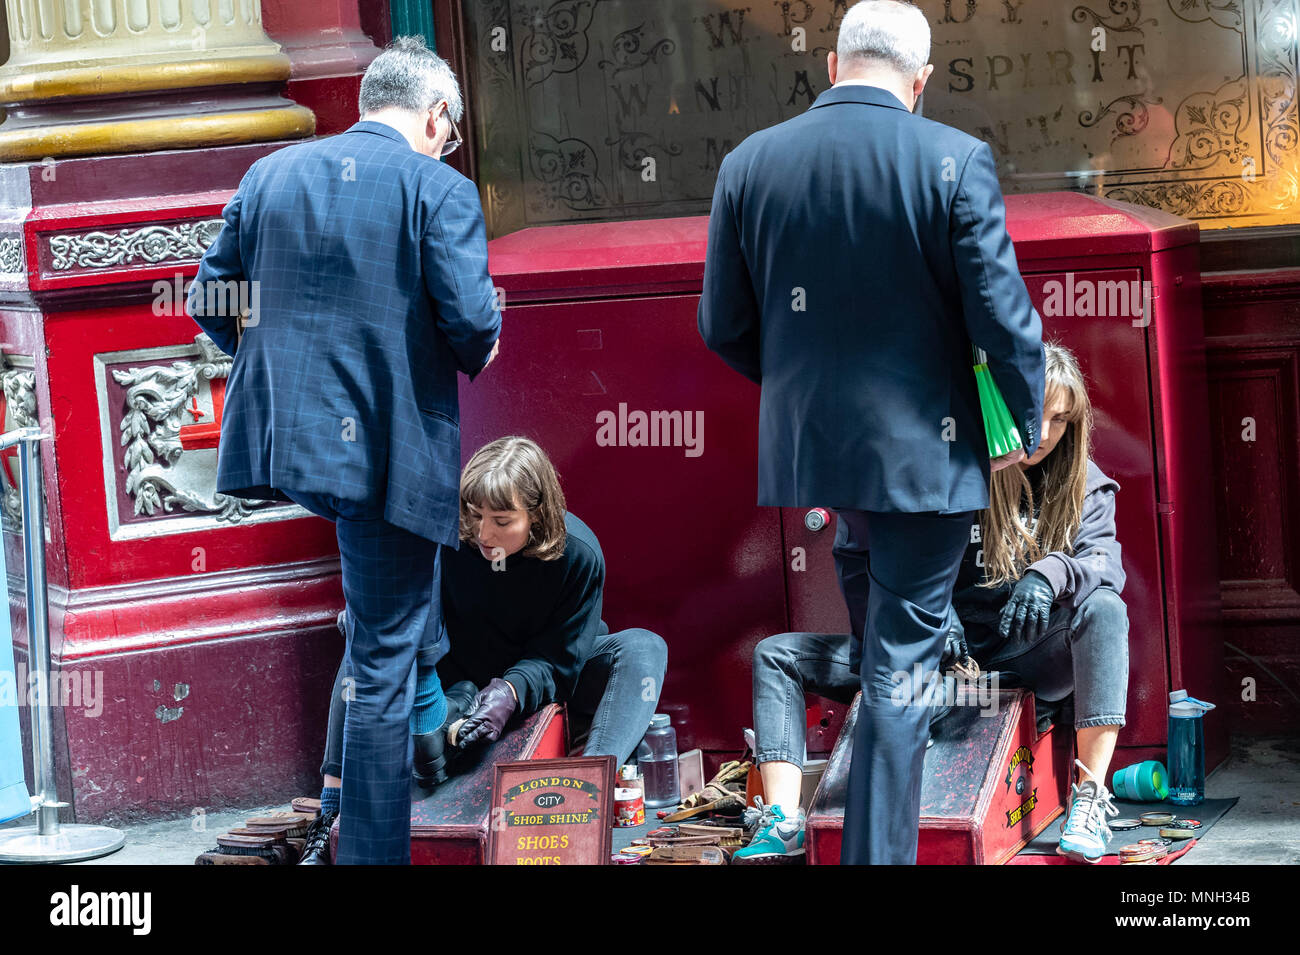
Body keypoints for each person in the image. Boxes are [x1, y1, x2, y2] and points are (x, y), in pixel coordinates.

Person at [697, 0, 1045, 864]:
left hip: (819, 454)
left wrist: (806, 398)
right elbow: (1002, 319)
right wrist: (1023, 417)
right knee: (902, 666)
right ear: (920, 82)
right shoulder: (954, 159)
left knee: (882, 634)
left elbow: (722, 324)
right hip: (926, 454)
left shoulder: (748, 162)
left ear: (832, 64)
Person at [187, 37, 501, 865]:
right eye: (449, 133)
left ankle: (349, 808)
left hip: (288, 440)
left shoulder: (271, 174)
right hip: (385, 454)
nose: (446, 145)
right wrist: (485, 342)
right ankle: (368, 854)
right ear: (436, 114)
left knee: (380, 630)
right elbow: (472, 323)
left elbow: (210, 298)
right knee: (385, 662)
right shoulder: (438, 187)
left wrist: (275, 367)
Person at [742, 344, 1128, 864]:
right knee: (776, 655)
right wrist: (929, 615)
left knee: (1105, 608)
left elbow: (1105, 563)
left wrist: (1049, 574)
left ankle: (1090, 798)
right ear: (1005, 407)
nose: (1045, 432)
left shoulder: (1086, 482)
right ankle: (783, 821)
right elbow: (878, 556)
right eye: (1036, 413)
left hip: (1019, 665)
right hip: (929, 668)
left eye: (1061, 419)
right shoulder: (951, 466)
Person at [298, 437, 668, 864]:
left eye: (502, 521)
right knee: (366, 647)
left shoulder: (577, 555)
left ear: (537, 515)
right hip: (450, 678)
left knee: (643, 648)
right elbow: (408, 617)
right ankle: (331, 815)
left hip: (542, 684)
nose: (483, 534)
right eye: (474, 515)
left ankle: (584, 799)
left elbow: (561, 657)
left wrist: (510, 690)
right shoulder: (443, 536)